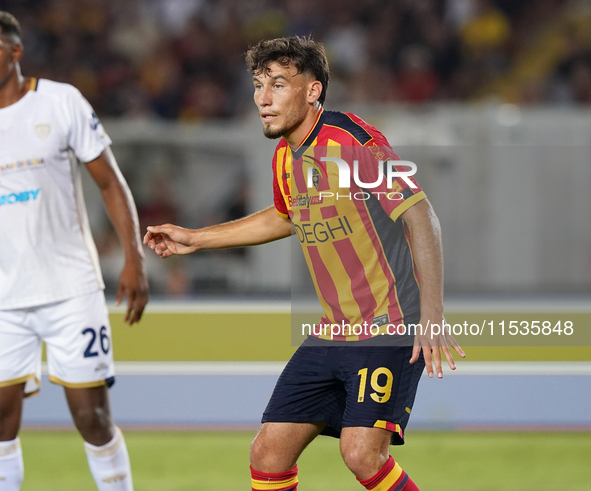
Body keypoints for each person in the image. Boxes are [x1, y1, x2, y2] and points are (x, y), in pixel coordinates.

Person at [144, 36, 464, 491]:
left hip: (388, 326)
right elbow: (284, 216)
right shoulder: (284, 159)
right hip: (332, 331)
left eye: (277, 84)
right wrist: (196, 238)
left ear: (312, 91)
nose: (262, 98)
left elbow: (420, 213)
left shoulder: (353, 141)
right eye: (258, 85)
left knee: (361, 455)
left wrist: (432, 315)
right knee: (268, 453)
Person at [0, 12, 148, 491]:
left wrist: (134, 258)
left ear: (15, 52)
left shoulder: (60, 101)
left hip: (69, 290)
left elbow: (109, 182)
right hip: (4, 297)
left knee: (92, 416)